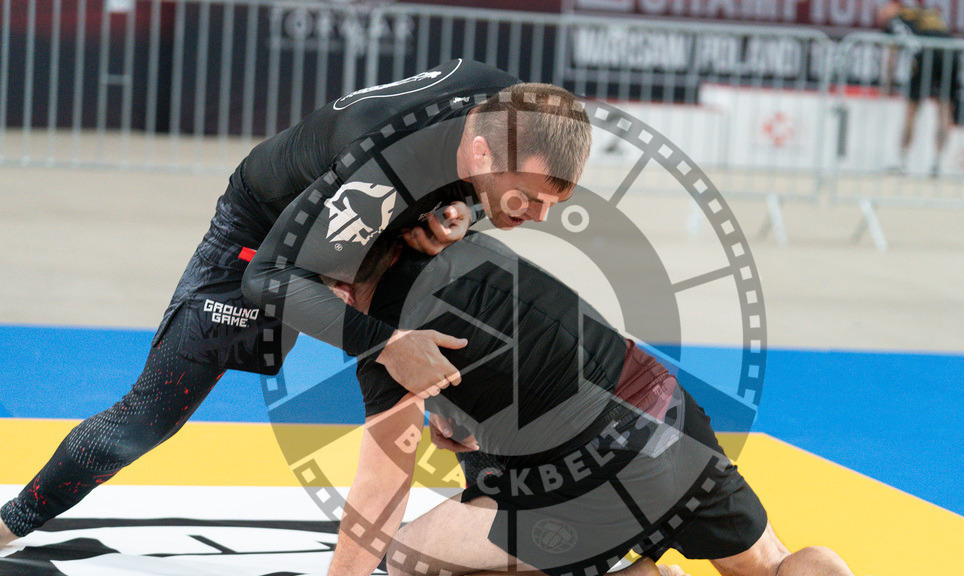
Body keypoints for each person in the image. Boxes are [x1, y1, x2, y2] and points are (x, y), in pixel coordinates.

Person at [236, 229, 946, 576]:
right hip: (666, 413)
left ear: (338, 285)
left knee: (409, 560)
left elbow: (381, 484)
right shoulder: (471, 251)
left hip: (594, 473)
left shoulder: (389, 339)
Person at [0, 60, 591, 548]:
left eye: (550, 202)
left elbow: (464, 187)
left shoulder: (513, 109)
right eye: (529, 197)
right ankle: (12, 522)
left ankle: (500, 523)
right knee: (153, 411)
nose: (540, 217)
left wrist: (460, 210)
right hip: (265, 235)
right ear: (484, 153)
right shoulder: (380, 165)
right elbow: (269, 278)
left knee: (471, 340)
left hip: (379, 222)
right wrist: (387, 345)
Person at [878, 0, 959, 176]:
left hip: (925, 56)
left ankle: (902, 161)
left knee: (912, 110)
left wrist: (888, 82)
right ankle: (937, 164)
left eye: (884, 8)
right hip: (951, 54)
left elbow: (892, 55)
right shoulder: (924, 13)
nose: (881, 12)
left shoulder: (896, 21)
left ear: (894, 7)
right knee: (945, 109)